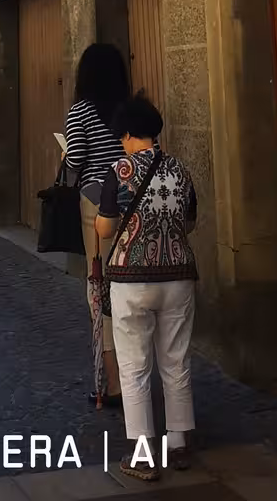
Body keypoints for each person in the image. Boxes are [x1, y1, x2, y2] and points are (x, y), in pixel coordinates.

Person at [95, 94, 198, 484]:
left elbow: (106, 228)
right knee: (176, 359)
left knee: (134, 366)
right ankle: (179, 442)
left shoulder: (118, 171)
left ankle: (142, 453)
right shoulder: (179, 170)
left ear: (126, 134)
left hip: (131, 279)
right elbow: (189, 221)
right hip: (178, 275)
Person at [61, 43, 129, 406]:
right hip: (131, 203)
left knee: (99, 287)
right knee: (129, 288)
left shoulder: (80, 113)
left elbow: (75, 160)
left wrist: (64, 154)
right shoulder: (129, 111)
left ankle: (110, 384)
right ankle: (137, 377)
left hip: (95, 204)